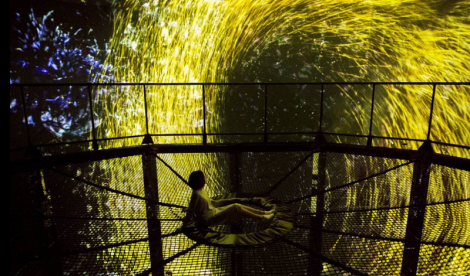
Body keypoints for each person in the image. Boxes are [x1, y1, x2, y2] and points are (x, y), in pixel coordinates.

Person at [182, 170, 275, 228]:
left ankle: (264, 213)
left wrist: (227, 201)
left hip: (214, 211)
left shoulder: (201, 191)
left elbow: (210, 203)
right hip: (208, 220)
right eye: (202, 178)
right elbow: (190, 214)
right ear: (199, 181)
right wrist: (183, 226)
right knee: (235, 207)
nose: (204, 179)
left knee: (237, 205)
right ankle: (262, 218)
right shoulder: (195, 194)